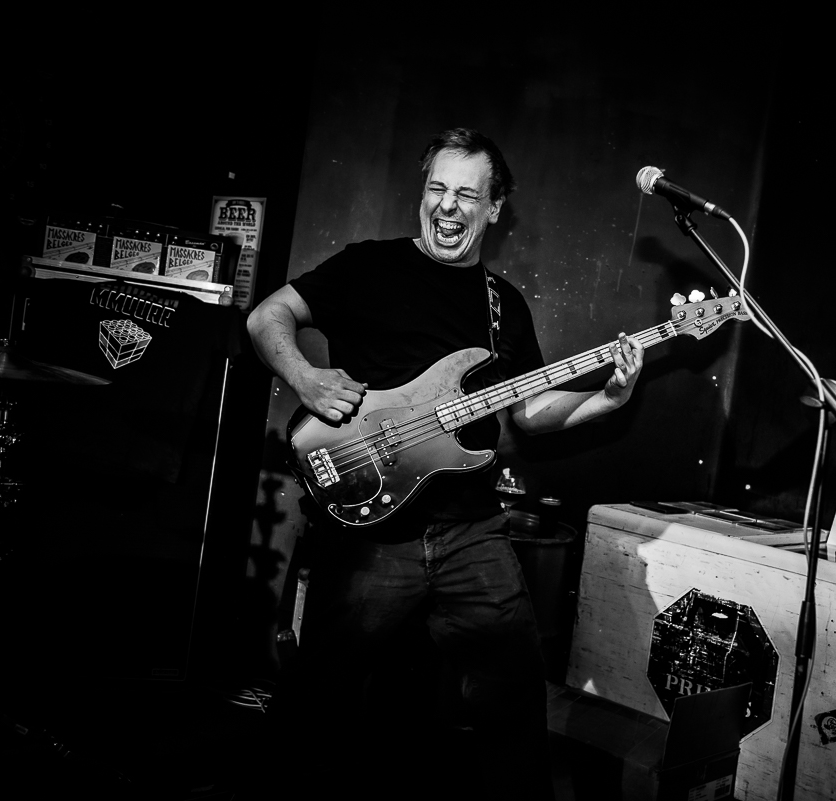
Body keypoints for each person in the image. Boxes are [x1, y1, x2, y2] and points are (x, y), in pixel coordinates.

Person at [245, 128, 644, 799]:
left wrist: (609, 396)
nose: (448, 205)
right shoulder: (368, 266)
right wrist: (307, 379)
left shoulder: (502, 305)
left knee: (514, 697)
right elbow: (267, 317)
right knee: (319, 697)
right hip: (371, 533)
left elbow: (530, 412)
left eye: (466, 193)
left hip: (469, 532)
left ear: (495, 208)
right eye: (437, 189)